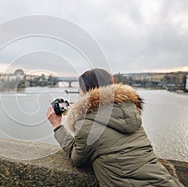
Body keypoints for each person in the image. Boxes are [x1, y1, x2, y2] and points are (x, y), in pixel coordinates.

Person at [46, 68, 184, 187]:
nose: (78, 98)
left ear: (87, 94)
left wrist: (57, 126)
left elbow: (77, 159)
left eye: (80, 93)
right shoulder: (131, 114)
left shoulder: (87, 127)